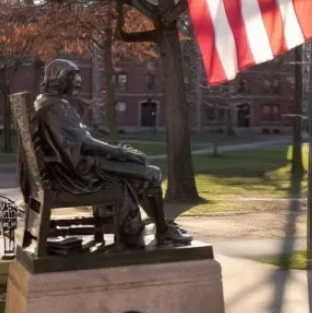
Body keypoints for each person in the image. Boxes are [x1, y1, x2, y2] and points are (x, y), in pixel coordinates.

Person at [24, 58, 192, 248]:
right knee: (151, 174)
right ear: (60, 80)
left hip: (68, 168)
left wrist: (116, 153)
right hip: (77, 173)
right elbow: (85, 142)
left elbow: (79, 140)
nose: (76, 88)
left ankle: (159, 228)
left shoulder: (45, 102)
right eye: (74, 84)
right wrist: (121, 152)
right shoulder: (55, 107)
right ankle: (158, 231)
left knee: (140, 171)